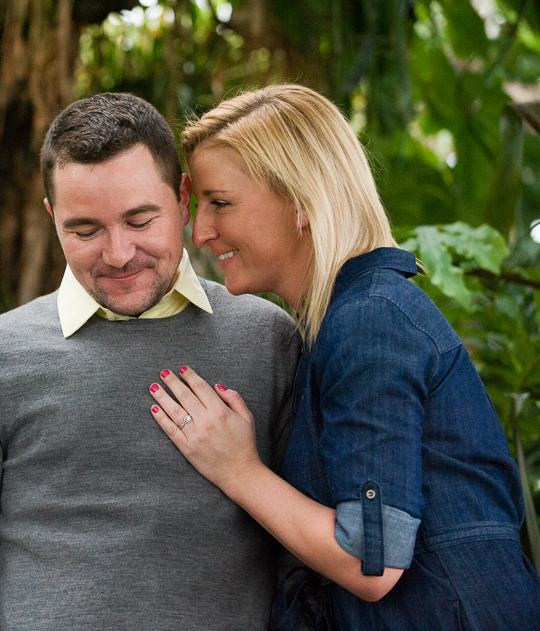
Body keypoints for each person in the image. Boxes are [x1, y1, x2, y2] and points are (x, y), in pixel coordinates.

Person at [0, 92, 301, 630]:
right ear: (52, 216)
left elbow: (311, 553)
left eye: (140, 221)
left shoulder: (267, 341)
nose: (117, 254)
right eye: (85, 230)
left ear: (183, 199)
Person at [148, 84, 540, 630]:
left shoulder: (369, 320)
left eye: (221, 203)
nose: (201, 231)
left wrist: (237, 469)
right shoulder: (344, 319)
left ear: (302, 202)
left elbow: (370, 560)